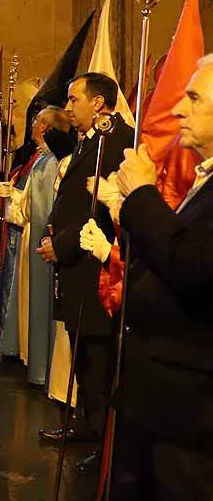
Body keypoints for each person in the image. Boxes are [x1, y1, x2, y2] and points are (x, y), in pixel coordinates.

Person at [78, 55, 213, 499]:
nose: (177, 109)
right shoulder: (202, 180)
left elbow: (192, 264)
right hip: (160, 403)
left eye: (193, 98)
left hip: (190, 414)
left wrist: (142, 196)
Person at [37, 72, 133, 474]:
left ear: (98, 103)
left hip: (96, 269)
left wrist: (60, 245)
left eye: (75, 99)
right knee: (84, 355)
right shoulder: (91, 142)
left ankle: (102, 440)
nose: (68, 106)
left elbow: (98, 215)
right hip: (76, 267)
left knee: (98, 358)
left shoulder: (114, 143)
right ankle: (89, 423)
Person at [0, 106, 74, 386]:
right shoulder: (40, 158)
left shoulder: (50, 162)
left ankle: (38, 361)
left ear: (46, 127)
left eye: (37, 121)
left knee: (36, 298)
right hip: (27, 236)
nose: (32, 125)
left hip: (35, 236)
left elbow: (35, 208)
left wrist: (11, 198)